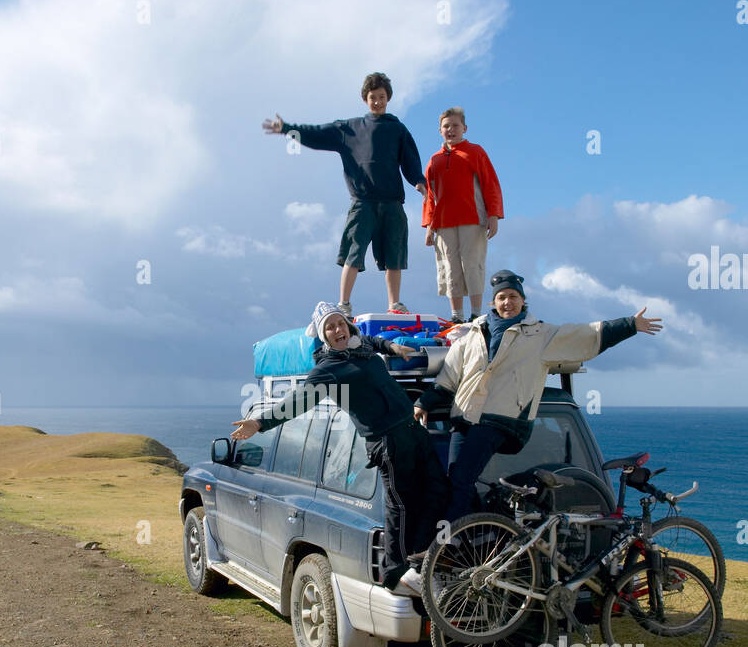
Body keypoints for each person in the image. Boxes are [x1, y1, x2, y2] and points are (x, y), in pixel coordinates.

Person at [232, 302, 450, 597]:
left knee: (438, 489)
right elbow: (299, 401)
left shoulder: (360, 346)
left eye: (340, 323)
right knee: (399, 504)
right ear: (324, 336)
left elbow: (371, 340)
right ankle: (394, 573)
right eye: (330, 328)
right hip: (388, 442)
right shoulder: (329, 369)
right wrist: (260, 422)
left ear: (348, 325)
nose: (337, 330)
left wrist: (391, 348)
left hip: (413, 431)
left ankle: (420, 555)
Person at [414, 270, 663, 524]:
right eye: (501, 297)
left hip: (500, 420)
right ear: (493, 302)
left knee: (461, 478)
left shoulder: (540, 335)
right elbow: (450, 376)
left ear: (523, 300)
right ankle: (471, 535)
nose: (507, 302)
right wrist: (423, 403)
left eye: (513, 296)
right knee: (454, 479)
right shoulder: (472, 333)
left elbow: (586, 335)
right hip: (465, 417)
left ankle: (449, 543)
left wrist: (630, 325)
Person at [262, 73, 427, 319]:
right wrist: (287, 129)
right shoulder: (349, 128)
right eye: (373, 97)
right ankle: (344, 304)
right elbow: (317, 133)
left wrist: (419, 181)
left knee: (394, 256)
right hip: (362, 203)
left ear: (388, 99)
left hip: (392, 202)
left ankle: (394, 303)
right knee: (353, 253)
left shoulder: (397, 129)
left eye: (382, 97)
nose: (377, 102)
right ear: (365, 99)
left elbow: (410, 161)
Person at [421, 107, 504, 324]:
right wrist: (429, 224)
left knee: (472, 264)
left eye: (455, 125)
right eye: (446, 126)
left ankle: (476, 313)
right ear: (440, 130)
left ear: (464, 128)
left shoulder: (475, 152)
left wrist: (493, 215)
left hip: (473, 219)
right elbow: (430, 196)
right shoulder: (434, 160)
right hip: (444, 223)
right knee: (450, 267)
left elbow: (491, 184)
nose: (451, 129)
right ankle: (456, 316)